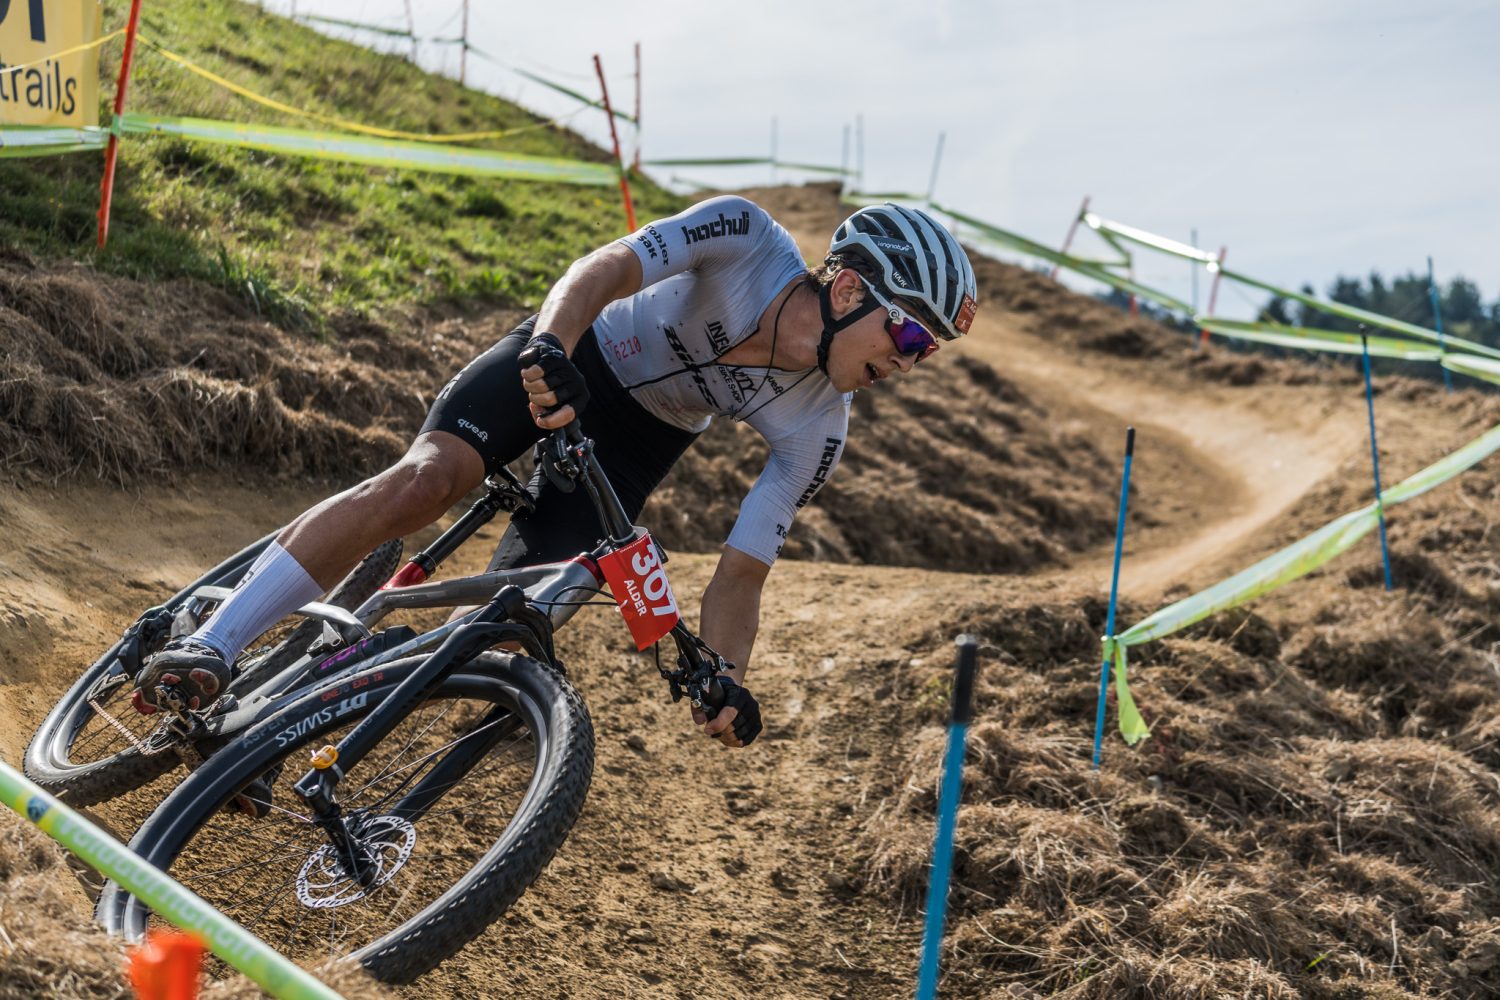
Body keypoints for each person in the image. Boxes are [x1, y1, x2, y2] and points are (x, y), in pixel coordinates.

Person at [131, 197, 979, 748]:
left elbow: (743, 572)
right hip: (578, 348)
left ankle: (276, 738)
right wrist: (550, 346)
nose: (909, 362)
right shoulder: (748, 238)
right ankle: (214, 637)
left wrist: (725, 676)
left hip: (641, 438)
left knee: (509, 631)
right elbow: (605, 268)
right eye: (909, 338)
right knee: (428, 481)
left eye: (926, 353)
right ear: (847, 293)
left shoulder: (819, 424)